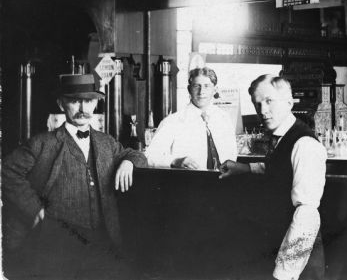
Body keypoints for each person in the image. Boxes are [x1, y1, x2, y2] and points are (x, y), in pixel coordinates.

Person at [2, 73, 148, 279]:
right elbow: (6, 171)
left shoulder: (107, 143)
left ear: (95, 104)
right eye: (74, 101)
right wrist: (34, 209)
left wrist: (129, 162)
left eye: (88, 101)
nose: (82, 109)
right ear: (61, 105)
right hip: (57, 241)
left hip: (101, 239)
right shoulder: (41, 143)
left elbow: (135, 154)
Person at [220, 74, 326, 280]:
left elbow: (307, 215)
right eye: (257, 104)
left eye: (269, 101)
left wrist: (284, 274)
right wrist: (245, 168)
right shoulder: (282, 137)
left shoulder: (305, 145)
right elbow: (279, 168)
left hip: (296, 266)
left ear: (289, 102)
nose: (262, 111)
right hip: (277, 249)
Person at [145, 67, 237, 170]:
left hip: (223, 182)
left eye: (207, 86)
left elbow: (232, 155)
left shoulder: (224, 118)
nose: (201, 92)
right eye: (196, 86)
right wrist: (175, 161)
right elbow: (149, 157)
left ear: (215, 90)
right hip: (189, 182)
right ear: (189, 89)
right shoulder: (173, 122)